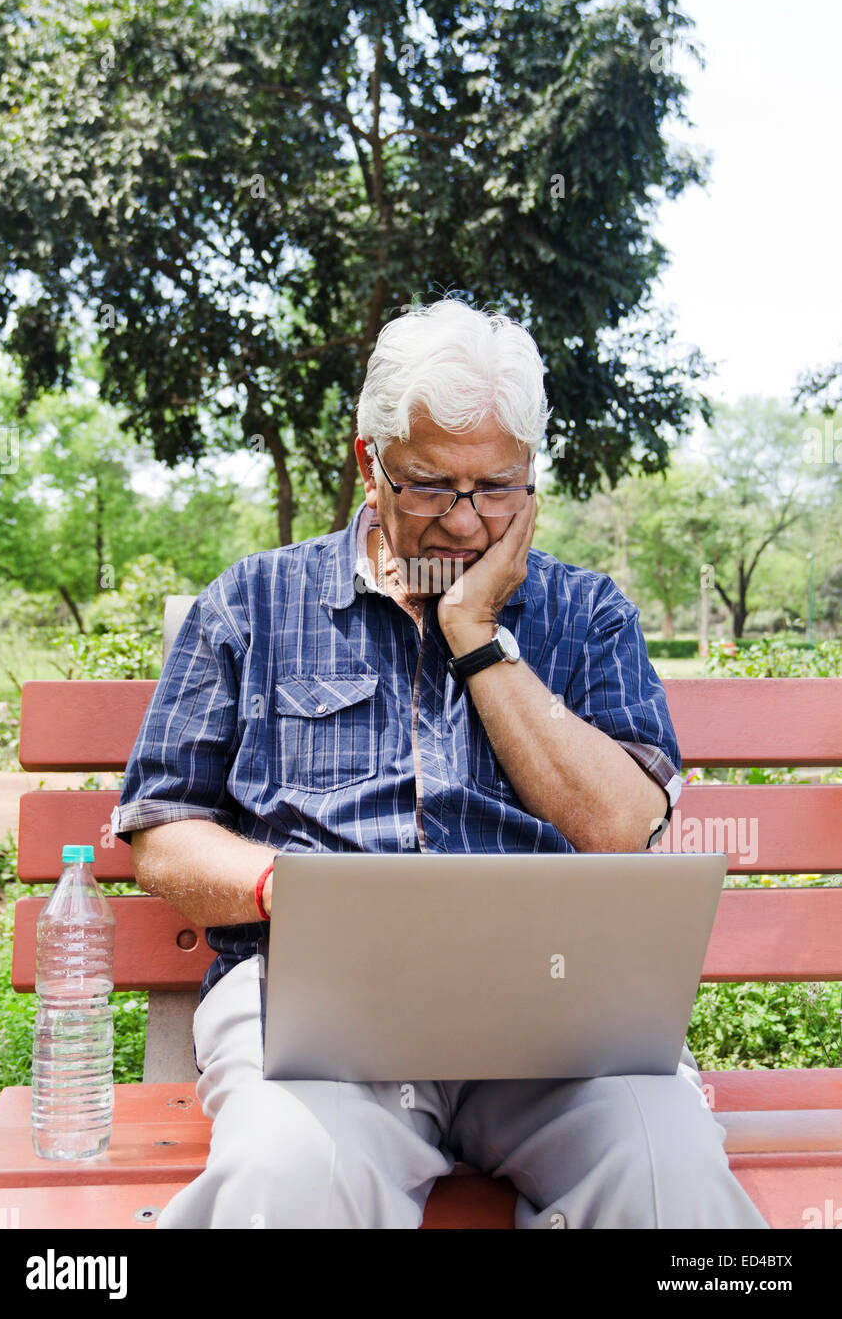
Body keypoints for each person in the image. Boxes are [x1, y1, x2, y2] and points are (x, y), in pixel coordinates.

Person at [110, 297, 769, 1229]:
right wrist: (284, 890)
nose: (466, 523)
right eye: (430, 486)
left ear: (532, 477)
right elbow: (161, 829)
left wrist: (476, 635)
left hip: (556, 1014)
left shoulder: (587, 615)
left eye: (498, 488)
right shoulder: (252, 604)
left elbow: (623, 825)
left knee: (671, 1178)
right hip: (323, 1022)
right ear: (367, 465)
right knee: (288, 1177)